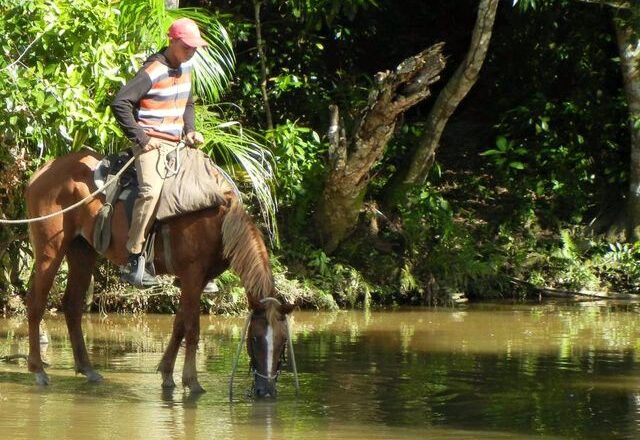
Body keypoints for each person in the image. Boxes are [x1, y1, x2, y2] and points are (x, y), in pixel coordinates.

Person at [112, 18, 207, 287]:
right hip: (151, 143)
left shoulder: (186, 68)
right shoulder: (152, 70)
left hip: (177, 144)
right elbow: (119, 102)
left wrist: (190, 130)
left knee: (205, 187)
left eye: (195, 47)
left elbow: (188, 103)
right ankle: (134, 258)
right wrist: (142, 139)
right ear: (173, 42)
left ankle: (192, 261)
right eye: (187, 46)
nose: (192, 51)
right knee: (151, 191)